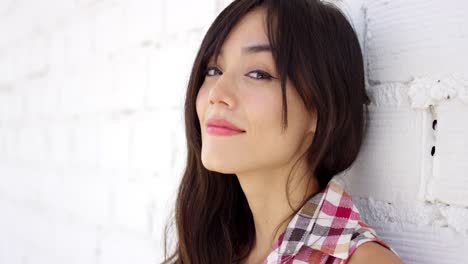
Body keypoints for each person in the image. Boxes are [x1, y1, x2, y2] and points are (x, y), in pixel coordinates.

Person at [162, 0, 404, 263]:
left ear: (320, 111)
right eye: (213, 70)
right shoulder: (211, 246)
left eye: (258, 74)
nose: (217, 94)